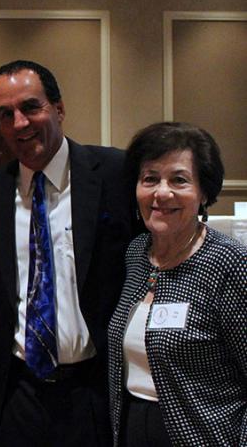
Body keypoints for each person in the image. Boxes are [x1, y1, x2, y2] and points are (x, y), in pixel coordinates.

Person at [0, 60, 139, 446]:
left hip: (95, 387)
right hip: (18, 391)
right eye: (5, 114)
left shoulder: (115, 173)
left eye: (31, 107)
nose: (20, 124)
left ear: (58, 109)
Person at [107, 122, 247, 446]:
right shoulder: (136, 254)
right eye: (150, 178)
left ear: (204, 192)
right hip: (129, 431)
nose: (162, 192)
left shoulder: (229, 264)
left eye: (179, 180)